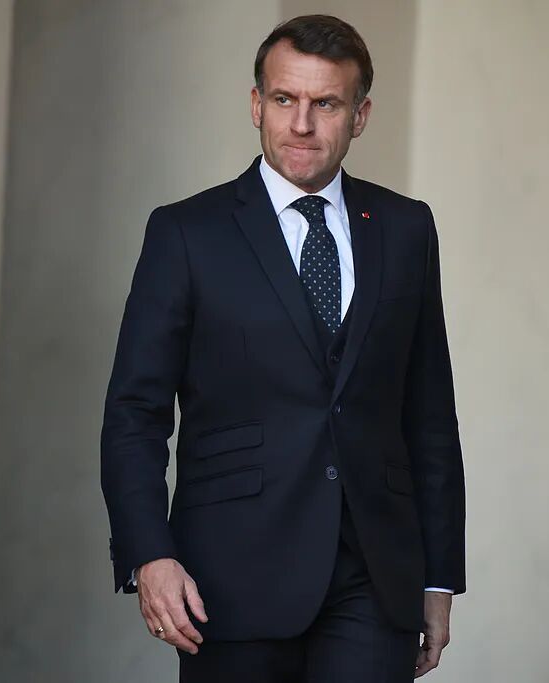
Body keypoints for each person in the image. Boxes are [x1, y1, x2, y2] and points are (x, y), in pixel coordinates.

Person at [101, 14, 466, 682]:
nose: (301, 124)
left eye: (325, 104)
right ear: (256, 105)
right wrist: (150, 553)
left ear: (359, 116)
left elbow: (430, 414)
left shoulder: (406, 229)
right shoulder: (187, 233)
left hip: (373, 577)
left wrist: (438, 576)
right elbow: (135, 412)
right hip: (228, 576)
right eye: (284, 99)